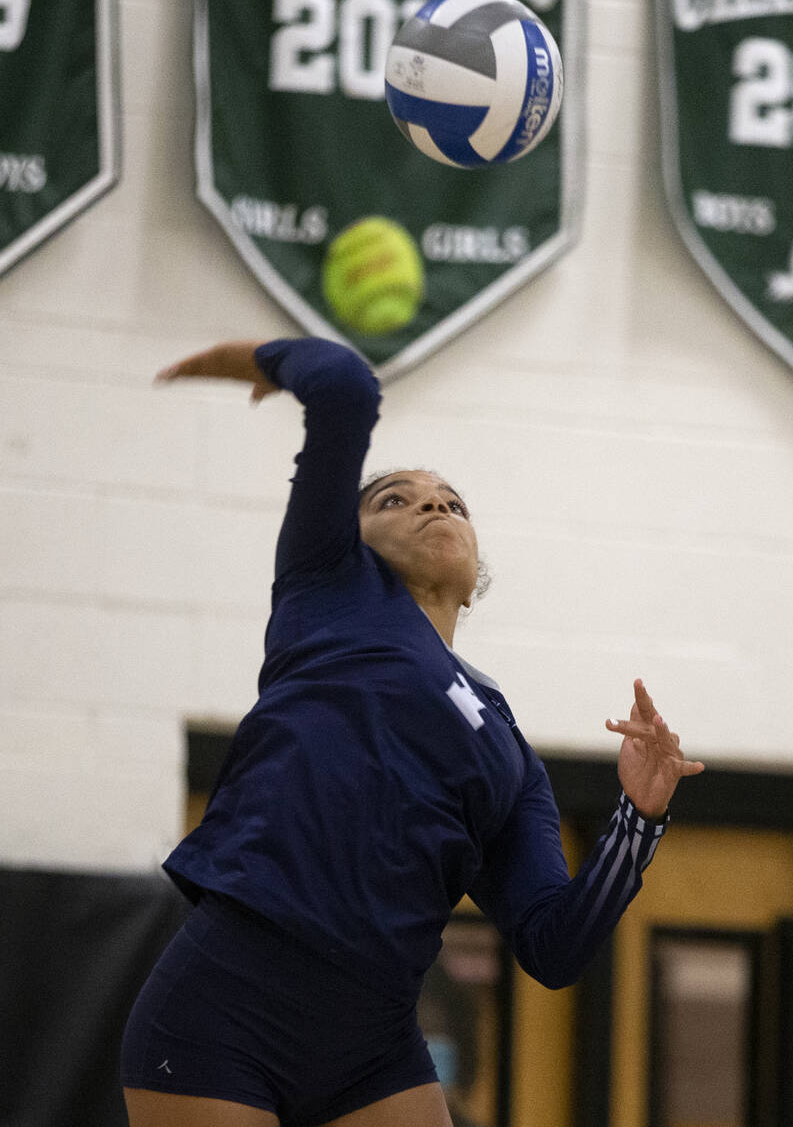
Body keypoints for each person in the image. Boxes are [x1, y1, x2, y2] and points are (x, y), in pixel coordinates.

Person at [121, 337, 704, 1127]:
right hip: (231, 1001)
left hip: (373, 1040)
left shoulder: (510, 754)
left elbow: (554, 946)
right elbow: (343, 386)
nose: (434, 504)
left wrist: (640, 817)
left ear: (477, 573)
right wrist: (255, 361)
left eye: (453, 502)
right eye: (395, 497)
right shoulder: (328, 590)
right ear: (347, 536)